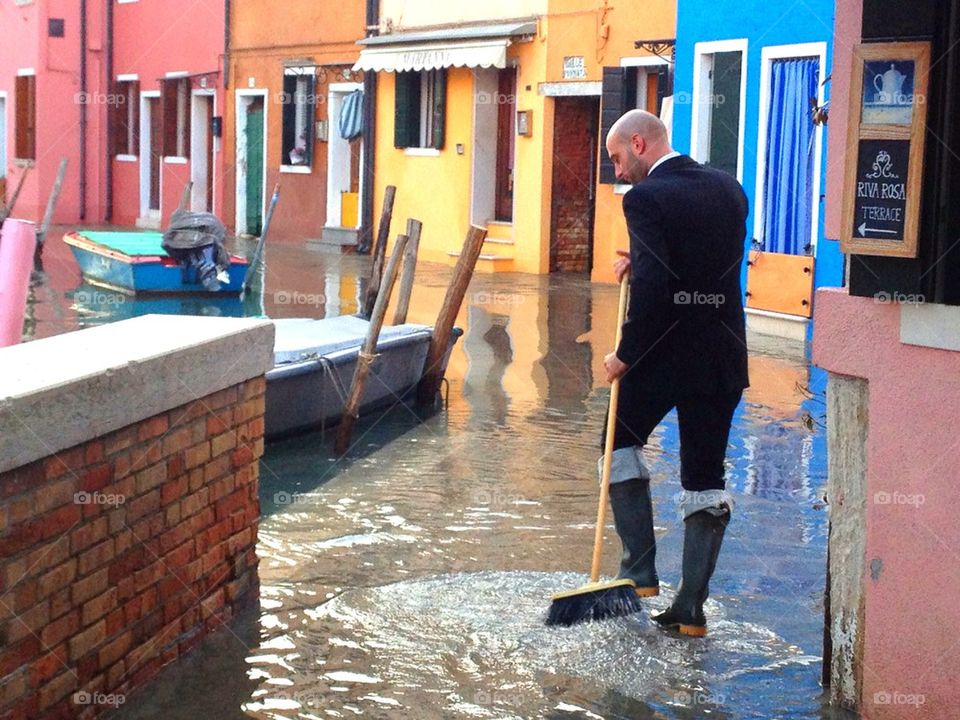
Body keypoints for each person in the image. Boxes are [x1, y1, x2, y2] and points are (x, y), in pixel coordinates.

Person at [601, 109, 749, 637]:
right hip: (723, 359)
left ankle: (639, 570)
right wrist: (641, 260)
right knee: (705, 476)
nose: (618, 172)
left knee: (617, 441)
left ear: (639, 144)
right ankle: (690, 610)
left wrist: (625, 353)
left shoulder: (644, 199)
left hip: (664, 357)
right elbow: (702, 262)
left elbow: (659, 293)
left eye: (618, 159)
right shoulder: (729, 188)